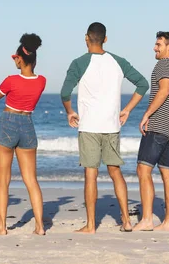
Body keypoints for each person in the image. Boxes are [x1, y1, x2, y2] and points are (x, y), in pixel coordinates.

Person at [60, 22, 149, 233]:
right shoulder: (118, 61)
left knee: (91, 175)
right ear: (105, 39)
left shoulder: (79, 63)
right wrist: (127, 110)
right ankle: (126, 221)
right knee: (115, 172)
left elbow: (65, 92)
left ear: (86, 38)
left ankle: (91, 226)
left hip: (89, 126)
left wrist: (70, 111)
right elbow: (143, 84)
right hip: (112, 126)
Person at [0, 33, 46, 236]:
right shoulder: (42, 81)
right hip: (28, 124)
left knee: (3, 180)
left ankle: (2, 227)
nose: (15, 62)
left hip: (8, 123)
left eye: (16, 58)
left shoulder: (11, 80)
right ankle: (40, 226)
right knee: (31, 180)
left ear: (20, 58)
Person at [133, 31, 169, 232]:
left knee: (143, 170)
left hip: (159, 126)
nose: (155, 48)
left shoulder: (163, 64)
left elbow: (164, 90)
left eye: (158, 44)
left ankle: (146, 220)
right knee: (167, 174)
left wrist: (146, 114)